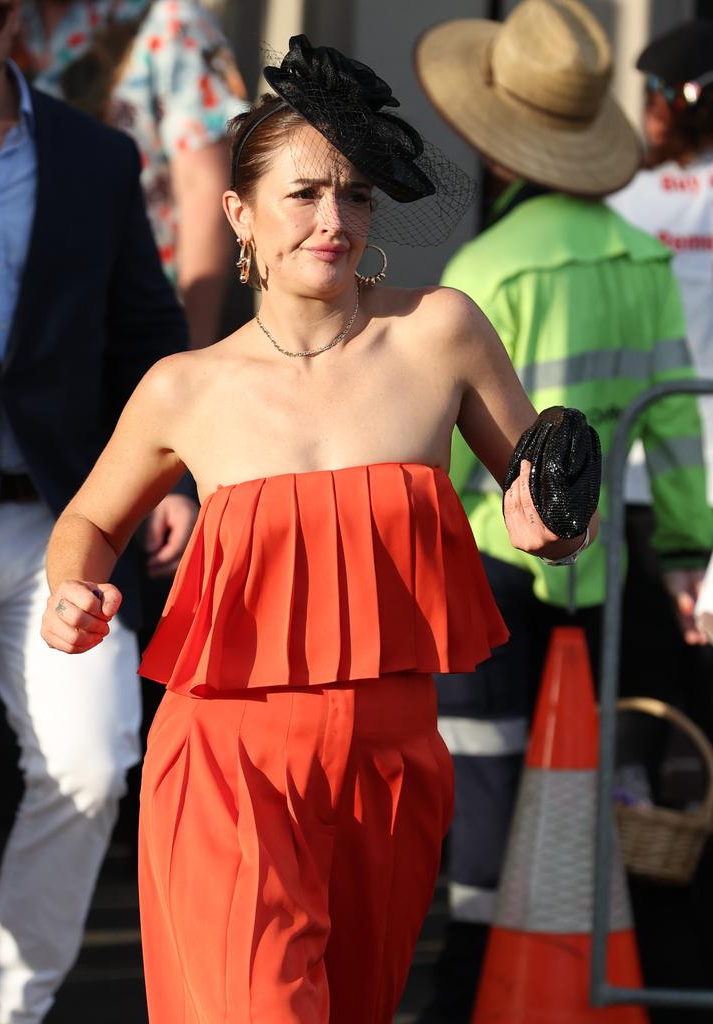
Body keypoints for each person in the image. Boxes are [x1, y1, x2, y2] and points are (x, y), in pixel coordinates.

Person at [39, 33, 598, 1024]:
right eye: (304, 193)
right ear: (237, 212)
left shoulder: (442, 332)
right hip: (227, 764)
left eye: (354, 193)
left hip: (391, 766)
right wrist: (72, 588)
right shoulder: (184, 386)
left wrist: (553, 529)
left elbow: (549, 508)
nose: (332, 220)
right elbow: (88, 518)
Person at [413, 1, 713, 1020]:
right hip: (612, 573)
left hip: (496, 575)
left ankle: (475, 987)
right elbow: (676, 430)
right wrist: (683, 548)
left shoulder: (482, 272)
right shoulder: (641, 258)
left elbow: (458, 454)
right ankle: (605, 978)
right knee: (605, 786)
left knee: (493, 791)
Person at [0, 0, 194, 1018]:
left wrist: (171, 474)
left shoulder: (97, 157)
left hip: (67, 517)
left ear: (24, 24)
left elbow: (146, 325)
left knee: (92, 764)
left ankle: (7, 1008)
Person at [606, 18, 713, 1000]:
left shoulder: (624, 201)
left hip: (651, 499)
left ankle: (651, 929)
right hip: (693, 497)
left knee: (641, 716)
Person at [13, 0, 248, 348]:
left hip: (137, 314)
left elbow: (205, 189)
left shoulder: (170, 20)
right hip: (35, 329)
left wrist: (192, 352)